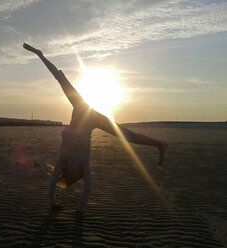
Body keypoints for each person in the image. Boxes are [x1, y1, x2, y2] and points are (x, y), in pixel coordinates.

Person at [23, 43, 168, 213]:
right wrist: (79, 210)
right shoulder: (84, 165)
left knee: (61, 80)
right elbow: (87, 188)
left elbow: (54, 180)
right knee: (129, 136)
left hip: (84, 112)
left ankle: (159, 144)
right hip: (94, 119)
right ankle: (160, 144)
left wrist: (40, 55)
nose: (66, 174)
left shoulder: (63, 160)